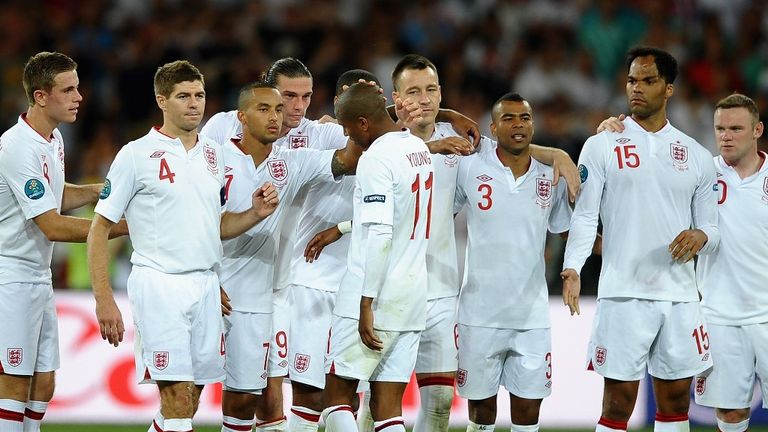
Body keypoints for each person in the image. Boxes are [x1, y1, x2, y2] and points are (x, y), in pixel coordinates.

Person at [87, 60, 278, 432]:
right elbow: (99, 229)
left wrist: (254, 214)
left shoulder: (214, 154)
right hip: (160, 285)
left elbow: (216, 225)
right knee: (175, 399)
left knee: (189, 401)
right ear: (162, 100)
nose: (194, 104)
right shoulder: (135, 155)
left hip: (205, 285)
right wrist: (103, 298)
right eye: (184, 96)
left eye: (200, 95)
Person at [560, 46, 719, 432]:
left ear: (668, 89)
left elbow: (713, 229)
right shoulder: (601, 145)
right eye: (632, 80)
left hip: (679, 294)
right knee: (618, 401)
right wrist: (571, 267)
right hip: (623, 291)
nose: (637, 88)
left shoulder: (697, 155)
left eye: (648, 81)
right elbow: (585, 215)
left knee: (676, 400)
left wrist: (700, 235)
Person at [598, 93, 768, 432]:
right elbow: (643, 178)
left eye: (736, 128)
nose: (726, 136)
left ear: (757, 130)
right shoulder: (700, 170)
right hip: (717, 314)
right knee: (731, 413)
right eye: (720, 128)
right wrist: (610, 137)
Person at [201, 79, 362, 432]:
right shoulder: (211, 158)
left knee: (247, 398)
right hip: (208, 288)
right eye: (265, 109)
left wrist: (358, 110)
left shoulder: (291, 163)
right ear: (240, 117)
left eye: (278, 109)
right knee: (183, 394)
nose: (276, 116)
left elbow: (351, 157)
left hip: (260, 296)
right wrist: (207, 277)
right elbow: (196, 224)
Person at [0, 51, 127, 432]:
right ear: (40, 96)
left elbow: (53, 196)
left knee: (44, 381)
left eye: (78, 87)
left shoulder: (51, 138)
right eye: (68, 89)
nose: (79, 96)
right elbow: (51, 226)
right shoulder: (18, 147)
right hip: (12, 277)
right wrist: (119, 227)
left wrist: (95, 191)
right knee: (15, 380)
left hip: (37, 277)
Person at [454, 93, 571, 432]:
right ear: (493, 128)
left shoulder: (552, 175)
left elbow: (566, 232)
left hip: (531, 316)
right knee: (480, 414)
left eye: (525, 117)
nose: (518, 124)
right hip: (479, 314)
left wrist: (606, 250)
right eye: (509, 118)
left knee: (527, 414)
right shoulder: (471, 167)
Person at [322, 82, 433, 432]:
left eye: (347, 128)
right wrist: (341, 228)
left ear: (363, 124)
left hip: (375, 293)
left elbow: (381, 233)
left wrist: (366, 303)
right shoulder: (418, 149)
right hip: (413, 294)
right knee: (388, 408)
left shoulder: (375, 159)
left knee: (336, 397)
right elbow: (400, 215)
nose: (347, 135)